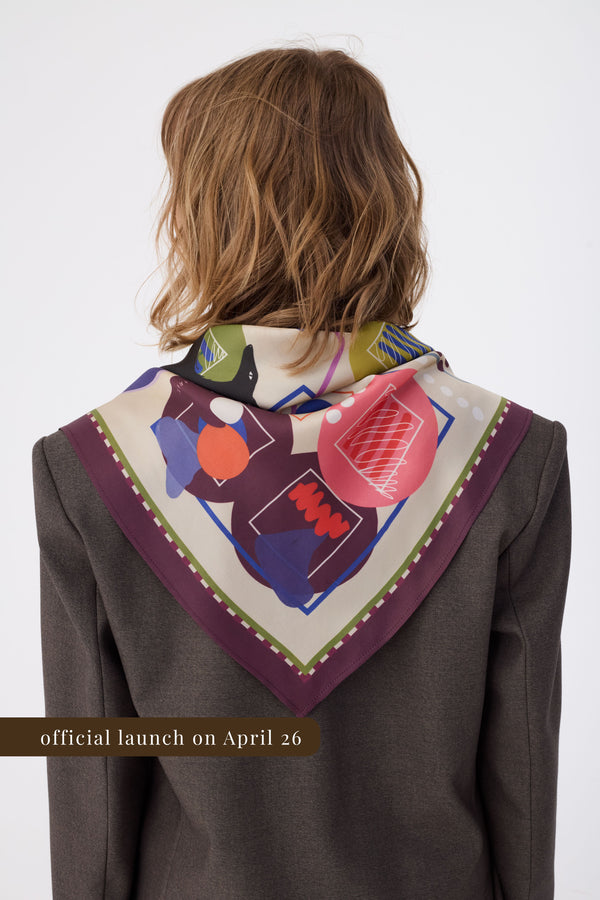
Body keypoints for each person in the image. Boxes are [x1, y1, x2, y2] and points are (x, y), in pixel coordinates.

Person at [32, 46, 571, 900]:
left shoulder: (94, 465)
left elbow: (93, 808)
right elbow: (525, 783)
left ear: (202, 217)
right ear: (388, 202)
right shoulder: (508, 453)